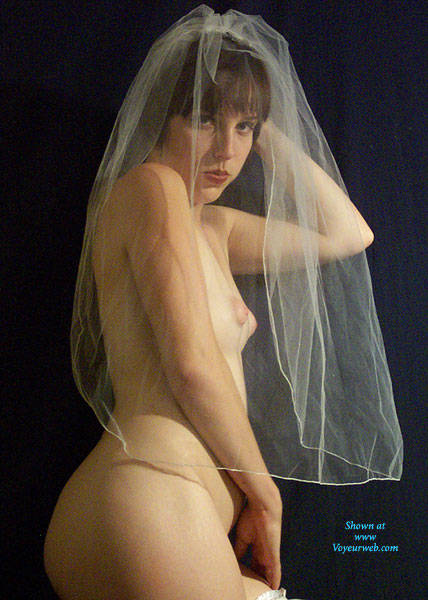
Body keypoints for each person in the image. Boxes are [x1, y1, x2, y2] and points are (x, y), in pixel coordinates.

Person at [44, 6, 403, 600]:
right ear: (162, 116)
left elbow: (349, 234)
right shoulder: (151, 185)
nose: (226, 151)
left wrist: (268, 128)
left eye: (244, 128)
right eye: (204, 119)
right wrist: (266, 497)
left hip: (165, 511)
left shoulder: (213, 229)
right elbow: (191, 365)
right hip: (153, 497)